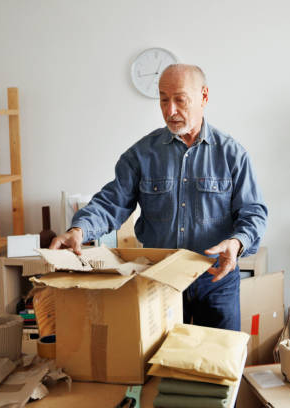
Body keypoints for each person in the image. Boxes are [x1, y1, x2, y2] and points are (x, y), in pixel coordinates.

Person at [50, 64, 268, 331]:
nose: (170, 110)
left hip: (215, 280)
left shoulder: (232, 154)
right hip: (158, 280)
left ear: (204, 97)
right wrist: (79, 229)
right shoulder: (142, 154)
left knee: (218, 365)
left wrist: (236, 243)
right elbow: (112, 201)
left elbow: (253, 213)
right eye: (164, 100)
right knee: (157, 365)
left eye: (180, 99)